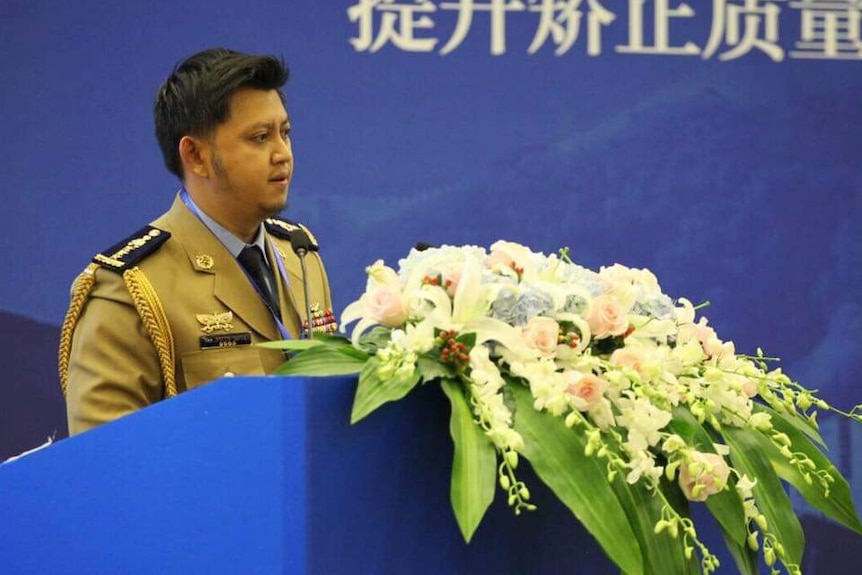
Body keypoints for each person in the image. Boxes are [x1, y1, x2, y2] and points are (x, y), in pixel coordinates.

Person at [59, 48, 336, 435]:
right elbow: (106, 463)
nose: (283, 154)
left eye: (285, 133)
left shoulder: (300, 255)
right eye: (260, 137)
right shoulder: (128, 288)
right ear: (196, 155)